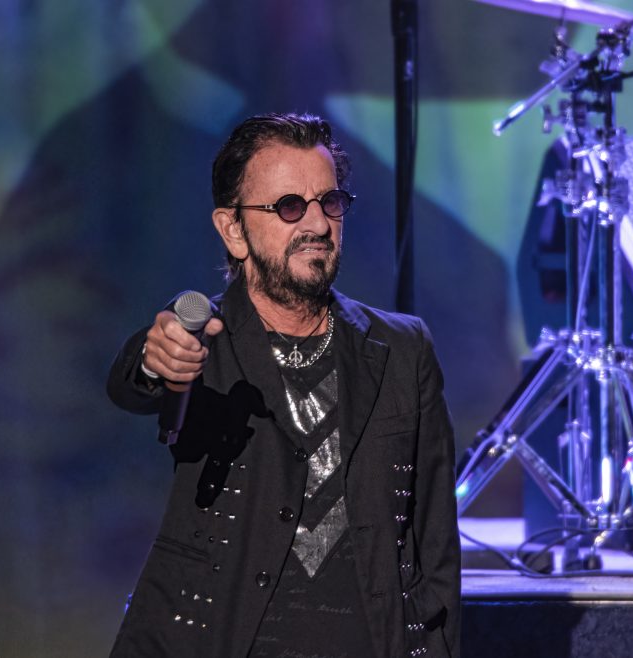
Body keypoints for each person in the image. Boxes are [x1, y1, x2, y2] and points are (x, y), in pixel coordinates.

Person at [106, 113, 460, 657]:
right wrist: (156, 363)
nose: (318, 223)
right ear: (233, 229)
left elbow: (435, 542)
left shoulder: (403, 349)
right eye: (290, 206)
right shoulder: (202, 340)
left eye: (330, 202)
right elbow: (134, 380)